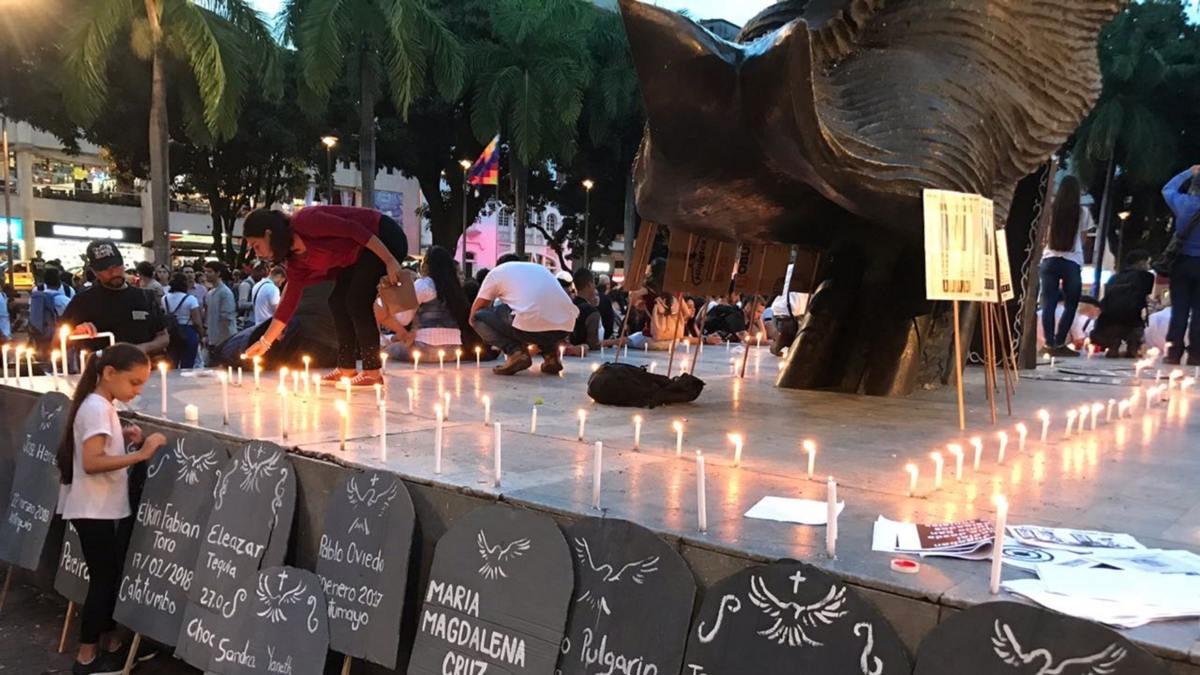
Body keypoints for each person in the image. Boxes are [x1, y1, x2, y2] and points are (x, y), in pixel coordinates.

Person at [55, 343, 166, 675]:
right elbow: (92, 462)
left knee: (106, 577)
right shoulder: (96, 409)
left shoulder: (100, 406)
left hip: (96, 506)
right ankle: (86, 657)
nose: (138, 390)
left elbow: (98, 452)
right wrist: (142, 453)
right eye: (134, 382)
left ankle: (112, 645)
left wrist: (125, 441)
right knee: (103, 583)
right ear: (109, 373)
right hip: (93, 508)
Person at [241, 205, 409, 388]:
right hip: (358, 256)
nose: (257, 253)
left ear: (268, 234)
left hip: (383, 236)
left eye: (256, 246)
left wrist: (389, 260)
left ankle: (372, 372)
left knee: (357, 301)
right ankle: (346, 368)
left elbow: (352, 228)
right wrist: (264, 343)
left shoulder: (305, 221)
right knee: (337, 301)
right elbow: (288, 305)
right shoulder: (296, 263)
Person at [470, 254, 579, 375]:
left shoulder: (496, 273)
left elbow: (476, 312)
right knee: (543, 315)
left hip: (531, 321)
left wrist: (501, 336)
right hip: (567, 325)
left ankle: (515, 352)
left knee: (477, 318)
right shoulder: (538, 268)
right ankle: (551, 356)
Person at [63, 241, 169, 356]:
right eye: (105, 269)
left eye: (116, 266)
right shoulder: (82, 302)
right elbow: (59, 342)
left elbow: (163, 336)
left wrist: (144, 348)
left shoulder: (145, 297)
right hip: (100, 365)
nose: (113, 272)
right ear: (94, 272)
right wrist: (75, 333)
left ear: (123, 263)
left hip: (142, 364)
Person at [382, 246, 475, 362]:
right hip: (453, 350)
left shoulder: (424, 284)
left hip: (424, 347)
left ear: (426, 265)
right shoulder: (456, 288)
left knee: (383, 351)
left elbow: (403, 319)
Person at [1039, 175, 1093, 358]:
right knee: (1071, 304)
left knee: (1049, 303)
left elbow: (1043, 235)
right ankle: (1060, 342)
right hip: (1072, 261)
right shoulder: (1083, 212)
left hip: (1049, 259)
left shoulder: (1050, 210)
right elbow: (1083, 240)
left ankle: (1048, 343)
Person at [1163, 165, 1200, 365]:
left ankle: (1173, 352)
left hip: (1182, 262)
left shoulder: (1183, 203)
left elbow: (1167, 189)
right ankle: (1196, 354)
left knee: (1179, 310)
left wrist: (1188, 172)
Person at [1091, 250, 1156, 358]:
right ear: (1141, 263)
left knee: (1116, 326)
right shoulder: (1146, 276)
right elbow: (1144, 295)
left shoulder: (1115, 277)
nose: (1148, 266)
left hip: (1108, 319)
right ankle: (1132, 347)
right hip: (1131, 315)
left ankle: (1113, 345)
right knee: (1136, 326)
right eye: (1148, 263)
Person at [29, 267, 75, 355]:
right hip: (59, 332)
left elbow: (31, 309)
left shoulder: (37, 291)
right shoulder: (67, 292)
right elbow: (73, 311)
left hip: (39, 331)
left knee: (43, 355)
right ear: (59, 283)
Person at [163, 273, 204, 368]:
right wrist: (201, 335)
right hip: (188, 331)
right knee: (188, 363)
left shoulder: (164, 299)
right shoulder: (191, 299)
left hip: (171, 331)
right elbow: (197, 321)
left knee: (172, 362)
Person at [203, 261, 237, 348]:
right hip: (213, 338)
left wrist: (221, 340)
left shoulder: (225, 293)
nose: (206, 274)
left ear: (218, 273)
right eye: (205, 271)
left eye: (210, 271)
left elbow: (226, 319)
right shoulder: (209, 293)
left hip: (224, 340)